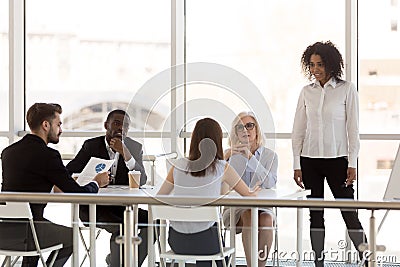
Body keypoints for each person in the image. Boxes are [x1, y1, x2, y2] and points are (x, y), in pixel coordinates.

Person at [0, 103, 109, 267]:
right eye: (58, 124)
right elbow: (77, 195)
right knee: (70, 237)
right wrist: (96, 183)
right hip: (32, 231)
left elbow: (27, 182)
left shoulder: (8, 152)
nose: (61, 130)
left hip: (5, 231)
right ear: (46, 125)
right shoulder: (49, 155)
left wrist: (58, 184)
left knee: (38, 235)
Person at [292, 41, 367, 266]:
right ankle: (319, 262)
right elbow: (298, 130)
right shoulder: (306, 92)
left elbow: (353, 130)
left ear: (331, 65)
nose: (315, 69)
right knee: (315, 214)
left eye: (320, 64)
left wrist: (352, 162)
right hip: (310, 160)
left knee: (349, 212)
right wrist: (297, 163)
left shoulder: (347, 89)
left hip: (338, 161)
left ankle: (367, 260)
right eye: (312, 64)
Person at [157, 118, 259, 267]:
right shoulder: (222, 167)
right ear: (217, 141)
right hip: (207, 242)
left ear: (194, 139)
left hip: (176, 240)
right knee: (213, 248)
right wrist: (255, 190)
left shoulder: (178, 165)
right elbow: (248, 195)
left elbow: (159, 198)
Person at [66, 109, 148, 267]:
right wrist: (92, 180)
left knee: (155, 223)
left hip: (122, 208)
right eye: (117, 124)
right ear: (106, 125)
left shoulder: (134, 147)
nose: (121, 129)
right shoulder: (91, 146)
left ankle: (130, 263)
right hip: (94, 209)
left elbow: (142, 180)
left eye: (125, 126)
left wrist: (127, 155)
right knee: (122, 226)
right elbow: (69, 173)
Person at [222, 111, 278, 267]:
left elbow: (269, 183)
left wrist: (251, 159)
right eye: (240, 127)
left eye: (249, 126)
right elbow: (215, 180)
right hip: (235, 209)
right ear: (235, 132)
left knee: (267, 219)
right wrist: (222, 157)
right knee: (248, 213)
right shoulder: (229, 154)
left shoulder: (270, 156)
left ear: (257, 130)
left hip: (263, 206)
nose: (245, 130)